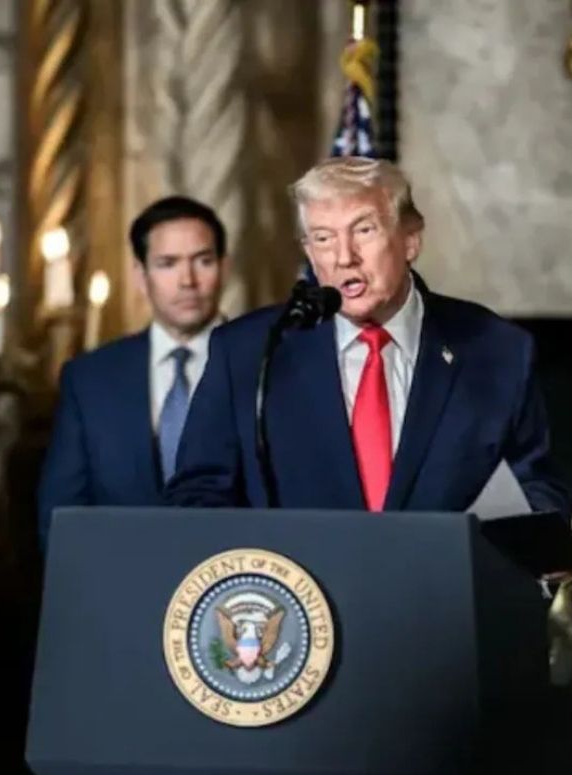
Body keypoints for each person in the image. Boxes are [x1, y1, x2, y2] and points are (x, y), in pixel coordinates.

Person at [164, 156, 570, 522]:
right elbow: (198, 496)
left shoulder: (496, 350)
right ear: (309, 251)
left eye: (364, 230)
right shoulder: (251, 352)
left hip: (446, 597)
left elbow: (541, 495)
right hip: (300, 599)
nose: (344, 257)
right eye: (323, 238)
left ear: (411, 239)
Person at [37, 196, 230, 550]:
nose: (187, 280)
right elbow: (60, 519)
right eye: (168, 263)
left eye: (202, 261)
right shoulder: (90, 379)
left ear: (224, 267)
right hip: (122, 588)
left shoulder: (266, 364)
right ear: (141, 276)